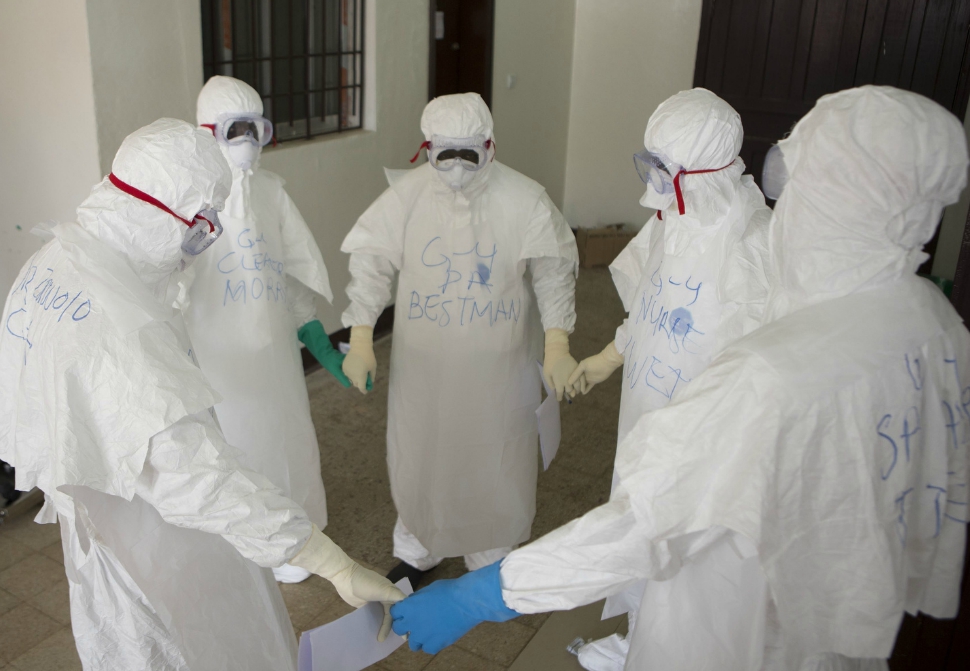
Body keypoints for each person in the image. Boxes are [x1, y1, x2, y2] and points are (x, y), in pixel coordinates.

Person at [390, 86, 970, 671]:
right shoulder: (936, 324)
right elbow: (653, 304)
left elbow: (651, 521)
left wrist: (492, 592)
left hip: (736, 617)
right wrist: (611, 356)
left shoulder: (772, 367)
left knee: (688, 593)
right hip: (827, 592)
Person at [0, 119, 404, 671]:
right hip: (159, 541)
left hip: (106, 525)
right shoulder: (120, 327)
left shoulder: (55, 260)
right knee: (193, 647)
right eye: (199, 228)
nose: (202, 245)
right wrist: (330, 561)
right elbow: (194, 479)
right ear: (154, 211)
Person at [565, 89, 771, 670]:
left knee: (692, 548)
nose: (650, 186)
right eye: (649, 165)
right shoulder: (672, 220)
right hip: (646, 412)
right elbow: (651, 308)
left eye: (664, 171)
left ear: (703, 172)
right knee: (641, 522)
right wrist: (610, 355)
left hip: (709, 438)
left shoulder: (755, 247)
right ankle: (638, 638)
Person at [339, 92, 579, 585]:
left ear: (489, 146)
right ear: (426, 148)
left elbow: (555, 273)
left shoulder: (524, 198)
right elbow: (371, 261)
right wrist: (361, 333)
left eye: (467, 155)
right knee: (422, 447)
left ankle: (490, 544)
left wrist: (558, 342)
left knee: (494, 449)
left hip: (500, 367)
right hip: (423, 365)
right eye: (443, 155)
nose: (455, 169)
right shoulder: (407, 197)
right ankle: (418, 541)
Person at [185, 75, 342, 583]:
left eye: (255, 128)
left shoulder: (271, 194)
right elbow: (162, 288)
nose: (247, 141)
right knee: (231, 446)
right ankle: (237, 547)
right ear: (207, 132)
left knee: (285, 442)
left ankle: (292, 541)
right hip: (216, 361)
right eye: (235, 129)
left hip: (275, 361)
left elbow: (287, 274)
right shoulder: (183, 203)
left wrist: (315, 335)